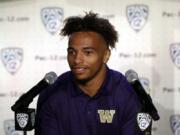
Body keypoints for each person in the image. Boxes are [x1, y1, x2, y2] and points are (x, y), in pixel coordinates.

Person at [35, 11, 143, 135]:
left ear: (106, 55)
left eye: (87, 52)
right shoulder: (52, 93)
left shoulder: (128, 93)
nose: (76, 60)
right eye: (72, 52)